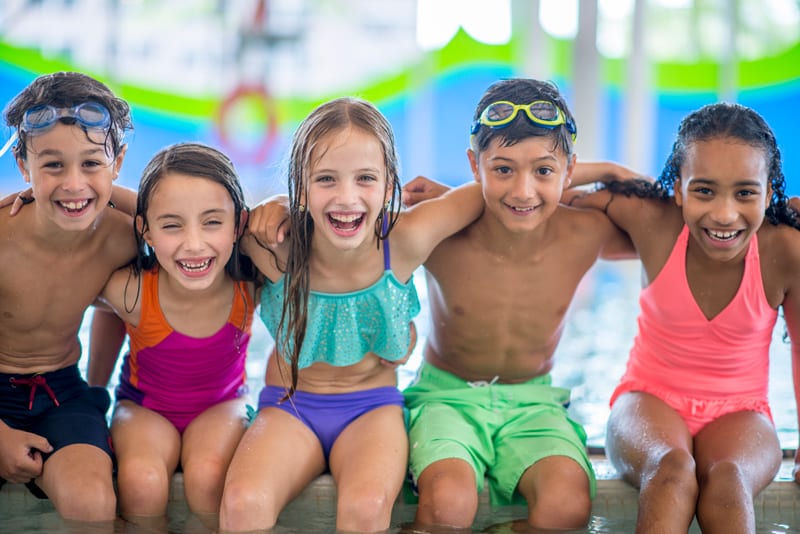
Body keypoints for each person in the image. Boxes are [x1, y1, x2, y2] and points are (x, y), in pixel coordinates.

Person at [218, 96, 484, 533]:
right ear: (300, 185)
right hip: (289, 405)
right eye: (325, 179)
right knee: (243, 504)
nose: (347, 198)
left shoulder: (405, 240)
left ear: (389, 183)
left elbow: (496, 189)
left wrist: (580, 172)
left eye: (366, 178)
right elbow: (180, 210)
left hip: (371, 409)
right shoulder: (275, 246)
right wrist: (277, 203)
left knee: (367, 507)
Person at [400, 78, 637, 531]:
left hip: (533, 402)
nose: (523, 192)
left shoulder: (584, 232)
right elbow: (350, 228)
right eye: (503, 170)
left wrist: (609, 170)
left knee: (567, 507)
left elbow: (666, 220)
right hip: (446, 396)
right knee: (447, 505)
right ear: (475, 166)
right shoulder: (443, 228)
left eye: (543, 171)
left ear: (571, 169)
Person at [568, 102, 800, 533]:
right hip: (648, 399)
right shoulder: (653, 220)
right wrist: (614, 173)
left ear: (770, 194)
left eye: (745, 193)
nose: (724, 214)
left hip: (742, 410)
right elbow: (541, 193)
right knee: (670, 469)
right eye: (704, 191)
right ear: (677, 188)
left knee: (729, 478)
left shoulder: (784, 249)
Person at [91, 142, 259, 528]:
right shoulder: (131, 291)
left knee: (208, 475)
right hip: (144, 408)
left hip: (223, 404)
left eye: (212, 222)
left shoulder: (249, 282)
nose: (194, 244)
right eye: (171, 225)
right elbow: (56, 298)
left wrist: (278, 206)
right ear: (145, 231)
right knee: (142, 482)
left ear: (239, 225)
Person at [0, 71, 134, 522]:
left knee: (93, 504)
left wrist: (98, 389)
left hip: (61, 391)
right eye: (53, 166)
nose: (74, 185)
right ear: (23, 167)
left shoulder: (121, 238)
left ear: (118, 163)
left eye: (91, 164)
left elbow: (179, 212)